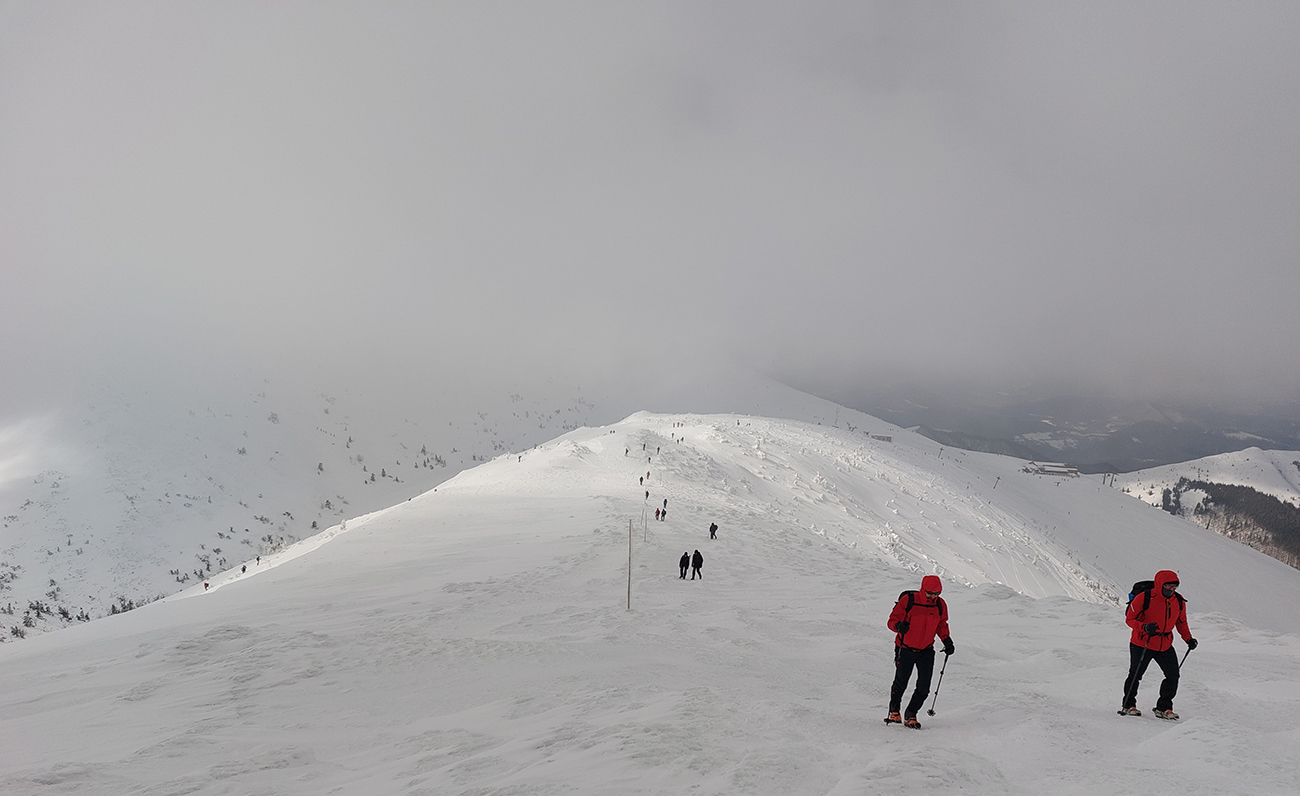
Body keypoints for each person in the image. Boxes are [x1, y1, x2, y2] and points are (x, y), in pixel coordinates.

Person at [1121, 570, 1197, 719]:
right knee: (1136, 675)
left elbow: (1181, 622)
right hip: (1142, 642)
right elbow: (1130, 619)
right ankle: (1128, 705)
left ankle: (1164, 708)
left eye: (1174, 587)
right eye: (1168, 586)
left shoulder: (1179, 601)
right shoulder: (1145, 598)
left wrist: (1188, 639)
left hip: (1165, 644)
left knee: (1173, 675)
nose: (1171, 590)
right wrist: (1144, 627)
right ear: (1160, 584)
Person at [885, 575, 954, 729]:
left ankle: (911, 714)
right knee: (901, 681)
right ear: (923, 589)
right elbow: (892, 620)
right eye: (930, 593)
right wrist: (898, 626)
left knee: (924, 687)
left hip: (926, 650)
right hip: (905, 648)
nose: (934, 597)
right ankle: (894, 710)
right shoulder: (909, 601)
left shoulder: (940, 605)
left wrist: (947, 640)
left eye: (937, 594)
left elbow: (942, 624)